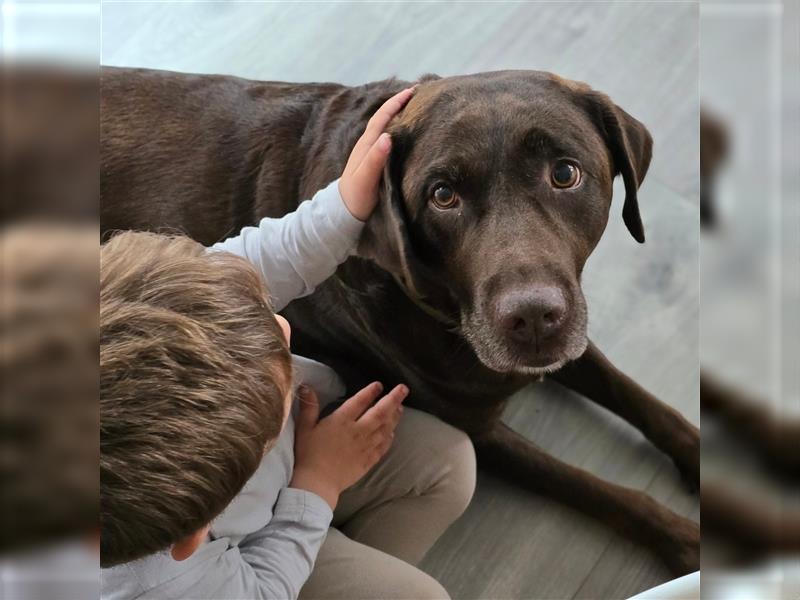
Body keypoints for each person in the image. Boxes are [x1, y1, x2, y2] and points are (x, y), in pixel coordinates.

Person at [100, 87, 476, 600]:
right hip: (255, 560)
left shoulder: (148, 303)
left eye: (261, 319)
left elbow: (253, 264)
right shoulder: (175, 584)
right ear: (192, 535)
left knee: (449, 464)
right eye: (273, 381)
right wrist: (317, 486)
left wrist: (343, 206)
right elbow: (262, 590)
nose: (285, 327)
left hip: (268, 483)